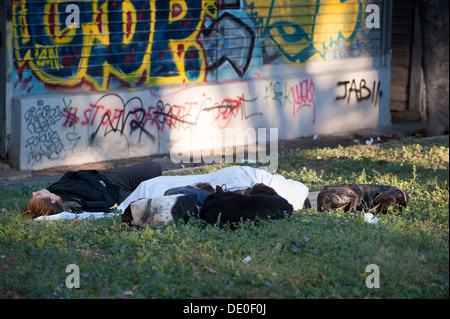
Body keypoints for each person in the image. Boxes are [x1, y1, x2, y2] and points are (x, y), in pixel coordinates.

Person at [23, 161, 162, 218]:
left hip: (107, 178)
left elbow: (74, 175)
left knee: (153, 167)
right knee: (151, 197)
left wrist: (97, 180)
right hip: (113, 193)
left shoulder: (54, 189)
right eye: (36, 195)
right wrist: (99, 185)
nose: (34, 192)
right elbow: (102, 202)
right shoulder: (73, 205)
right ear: (51, 200)